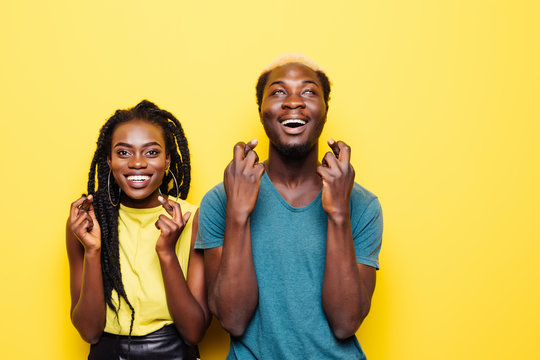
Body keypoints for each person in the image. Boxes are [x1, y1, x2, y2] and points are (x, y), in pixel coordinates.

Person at [196, 54, 383, 359]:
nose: (293, 101)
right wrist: (238, 214)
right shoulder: (221, 200)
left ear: (324, 111)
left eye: (309, 92)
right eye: (279, 92)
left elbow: (346, 323)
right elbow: (233, 319)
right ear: (261, 111)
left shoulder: (361, 204)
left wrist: (338, 214)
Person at [67, 100, 209, 360]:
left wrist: (166, 252)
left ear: (168, 160)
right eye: (123, 153)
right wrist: (92, 250)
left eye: (151, 152)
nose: (137, 163)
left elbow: (193, 332)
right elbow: (89, 332)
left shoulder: (193, 218)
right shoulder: (87, 222)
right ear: (108, 160)